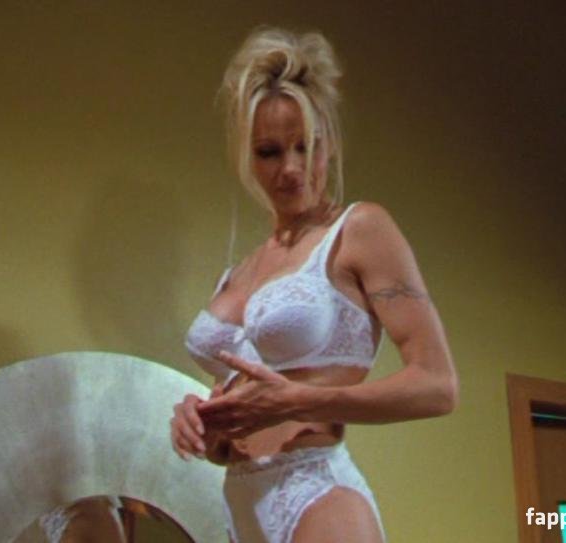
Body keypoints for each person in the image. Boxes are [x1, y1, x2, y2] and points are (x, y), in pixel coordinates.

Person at [173, 25, 459, 543]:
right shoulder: (237, 273)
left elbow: (438, 387)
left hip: (317, 495)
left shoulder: (360, 230)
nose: (291, 169)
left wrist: (297, 402)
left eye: (306, 147)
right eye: (269, 151)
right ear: (247, 157)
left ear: (329, 146)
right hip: (241, 504)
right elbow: (248, 408)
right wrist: (203, 422)